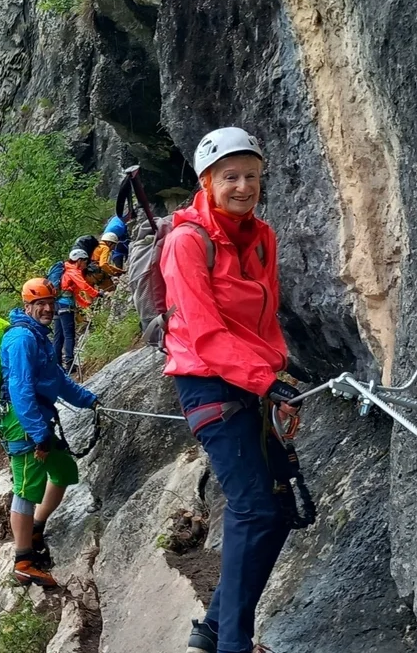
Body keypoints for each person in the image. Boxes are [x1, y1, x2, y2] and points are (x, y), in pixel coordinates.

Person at [159, 127, 302, 653]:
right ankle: (234, 645)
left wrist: (275, 377)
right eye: (231, 178)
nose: (244, 187)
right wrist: (270, 381)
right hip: (206, 382)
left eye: (253, 177)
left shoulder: (262, 237)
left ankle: (214, 630)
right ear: (206, 181)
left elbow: (265, 322)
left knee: (282, 509)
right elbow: (206, 331)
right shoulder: (185, 242)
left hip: (252, 381)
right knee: (252, 508)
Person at [0, 278, 100, 587]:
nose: (46, 309)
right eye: (39, 303)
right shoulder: (21, 340)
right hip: (22, 421)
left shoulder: (39, 338)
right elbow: (19, 389)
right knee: (28, 486)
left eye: (50, 303)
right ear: (27, 307)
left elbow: (58, 380)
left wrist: (89, 400)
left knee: (64, 471)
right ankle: (23, 560)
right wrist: (39, 433)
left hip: (36, 418)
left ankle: (36, 526)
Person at [52, 248, 99, 372]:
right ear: (79, 260)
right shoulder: (74, 271)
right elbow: (83, 285)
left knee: (59, 336)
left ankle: (57, 366)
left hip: (57, 305)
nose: (85, 265)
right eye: (84, 262)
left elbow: (76, 294)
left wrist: (86, 304)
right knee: (69, 335)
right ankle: (70, 364)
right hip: (65, 306)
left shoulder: (66, 271)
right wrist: (97, 294)